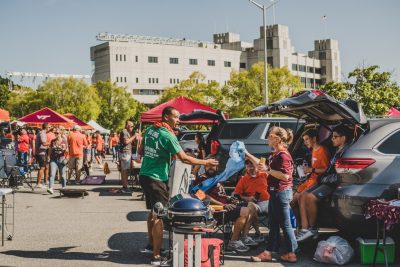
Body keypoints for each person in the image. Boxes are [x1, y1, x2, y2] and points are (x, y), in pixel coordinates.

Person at [138, 106, 218, 266]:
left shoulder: (150, 130)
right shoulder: (168, 135)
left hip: (144, 175)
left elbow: (141, 151)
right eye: (176, 117)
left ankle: (150, 245)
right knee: (160, 216)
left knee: (153, 211)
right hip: (156, 177)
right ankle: (156, 256)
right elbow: (184, 159)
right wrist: (205, 161)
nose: (178, 120)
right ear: (166, 117)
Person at [246, 126, 298, 263]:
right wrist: (248, 154)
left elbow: (285, 176)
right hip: (276, 193)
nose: (268, 138)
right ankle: (269, 252)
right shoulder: (275, 154)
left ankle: (291, 253)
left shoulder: (283, 155)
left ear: (278, 139)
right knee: (274, 223)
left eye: (270, 135)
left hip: (281, 193)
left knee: (285, 224)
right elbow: (262, 165)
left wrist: (268, 170)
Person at [295, 125, 351, 242]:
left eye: (335, 137)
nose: (332, 139)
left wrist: (312, 170)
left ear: (344, 138)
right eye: (332, 136)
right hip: (325, 179)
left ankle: (312, 229)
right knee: (302, 196)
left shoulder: (345, 151)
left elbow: (328, 169)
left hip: (331, 181)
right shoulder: (338, 150)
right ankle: (305, 229)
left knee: (309, 197)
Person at [194, 162, 259, 252]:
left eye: (213, 165)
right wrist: (223, 205)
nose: (210, 168)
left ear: (217, 167)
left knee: (251, 206)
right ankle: (233, 242)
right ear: (204, 167)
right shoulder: (201, 179)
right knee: (245, 211)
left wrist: (229, 199)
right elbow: (201, 195)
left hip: (226, 205)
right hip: (217, 210)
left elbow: (220, 194)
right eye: (208, 165)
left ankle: (244, 237)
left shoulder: (218, 178)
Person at [291, 129, 330, 228]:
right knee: (292, 200)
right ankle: (299, 226)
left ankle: (307, 227)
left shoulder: (322, 150)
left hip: (318, 180)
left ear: (314, 139)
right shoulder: (313, 150)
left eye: (307, 139)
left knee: (301, 197)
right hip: (310, 179)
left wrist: (311, 169)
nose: (305, 142)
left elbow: (326, 169)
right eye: (304, 140)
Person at [233, 159, 270, 243]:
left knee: (275, 206)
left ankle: (273, 234)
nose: (250, 168)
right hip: (254, 203)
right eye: (248, 166)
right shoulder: (243, 179)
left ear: (256, 166)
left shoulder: (264, 175)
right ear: (246, 167)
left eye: (252, 165)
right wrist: (247, 198)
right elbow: (236, 194)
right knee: (250, 206)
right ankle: (252, 234)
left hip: (267, 201)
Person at [47, 129, 68, 194]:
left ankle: (64, 187)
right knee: (52, 174)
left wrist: (64, 150)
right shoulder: (53, 141)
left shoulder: (64, 141)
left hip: (62, 159)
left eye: (58, 133)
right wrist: (48, 156)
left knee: (63, 175)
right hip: (53, 159)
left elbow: (67, 151)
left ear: (60, 134)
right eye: (55, 133)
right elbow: (50, 149)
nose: (56, 134)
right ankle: (51, 188)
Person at [119, 121, 136, 193]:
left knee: (125, 171)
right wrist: (134, 136)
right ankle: (125, 187)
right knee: (125, 171)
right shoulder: (125, 132)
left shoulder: (126, 132)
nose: (132, 128)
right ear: (127, 126)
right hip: (125, 153)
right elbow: (126, 142)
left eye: (133, 126)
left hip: (126, 153)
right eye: (131, 126)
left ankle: (125, 186)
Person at [35, 123, 50, 188]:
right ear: (47, 128)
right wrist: (51, 143)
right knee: (42, 167)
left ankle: (45, 181)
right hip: (41, 153)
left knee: (46, 166)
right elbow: (44, 143)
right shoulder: (42, 133)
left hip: (43, 152)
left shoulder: (42, 133)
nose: (50, 128)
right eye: (49, 127)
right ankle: (38, 183)